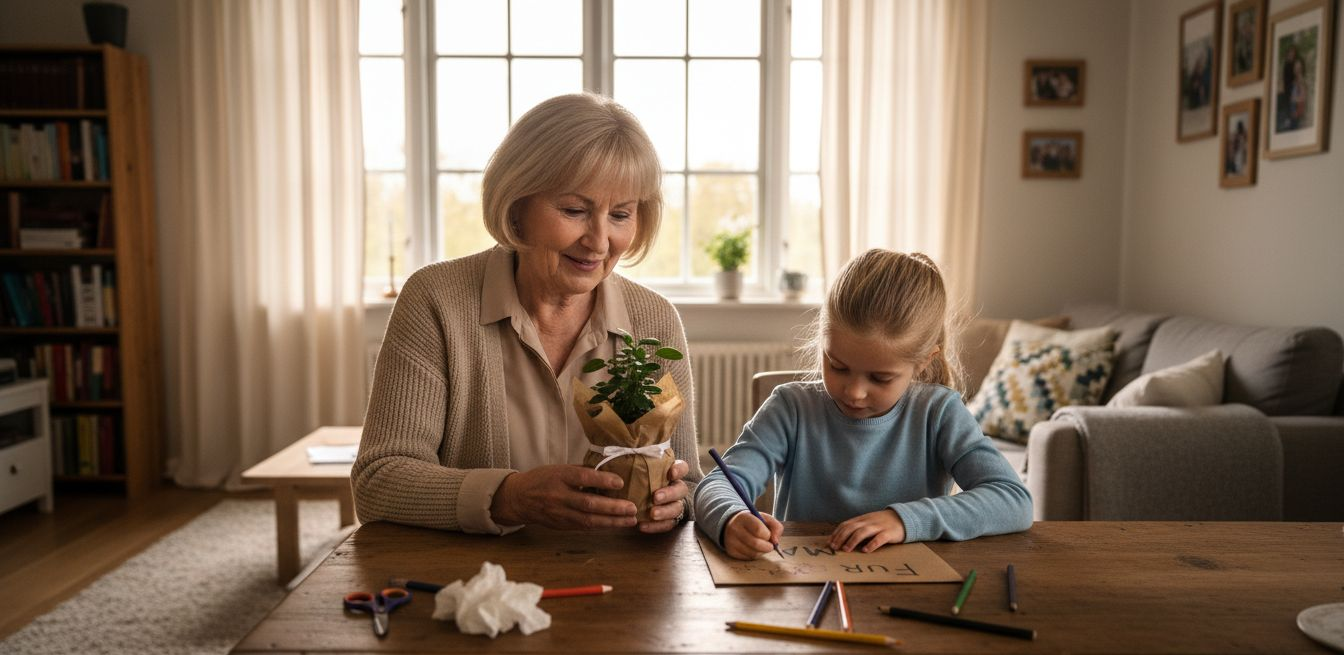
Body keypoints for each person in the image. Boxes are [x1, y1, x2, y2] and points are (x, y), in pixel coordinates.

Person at [353, 93, 701, 536]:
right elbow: (378, 482)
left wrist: (677, 502)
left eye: (620, 215)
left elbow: (691, 485)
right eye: (574, 210)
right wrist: (508, 497)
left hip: (622, 571)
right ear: (517, 205)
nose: (599, 241)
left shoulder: (655, 320)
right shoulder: (435, 300)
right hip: (475, 575)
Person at [693, 249, 1032, 560]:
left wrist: (906, 520)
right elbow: (718, 484)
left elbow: (1013, 500)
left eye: (880, 378)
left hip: (909, 587)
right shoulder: (790, 407)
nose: (855, 392)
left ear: (923, 363)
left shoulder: (939, 412)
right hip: (805, 586)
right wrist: (731, 518)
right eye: (837, 366)